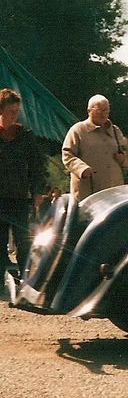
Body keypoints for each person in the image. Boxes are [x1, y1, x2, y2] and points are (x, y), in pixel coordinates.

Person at [0, 88, 46, 268]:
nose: (14, 116)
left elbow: (36, 166)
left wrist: (37, 191)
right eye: (11, 112)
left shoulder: (25, 136)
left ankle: (25, 278)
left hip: (19, 197)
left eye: (17, 112)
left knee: (23, 241)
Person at [62, 95, 128, 201]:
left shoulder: (115, 130)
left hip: (114, 190)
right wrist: (81, 169)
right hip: (88, 190)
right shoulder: (78, 130)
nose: (104, 114)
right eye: (100, 110)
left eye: (106, 110)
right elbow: (67, 154)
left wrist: (124, 159)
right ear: (89, 111)